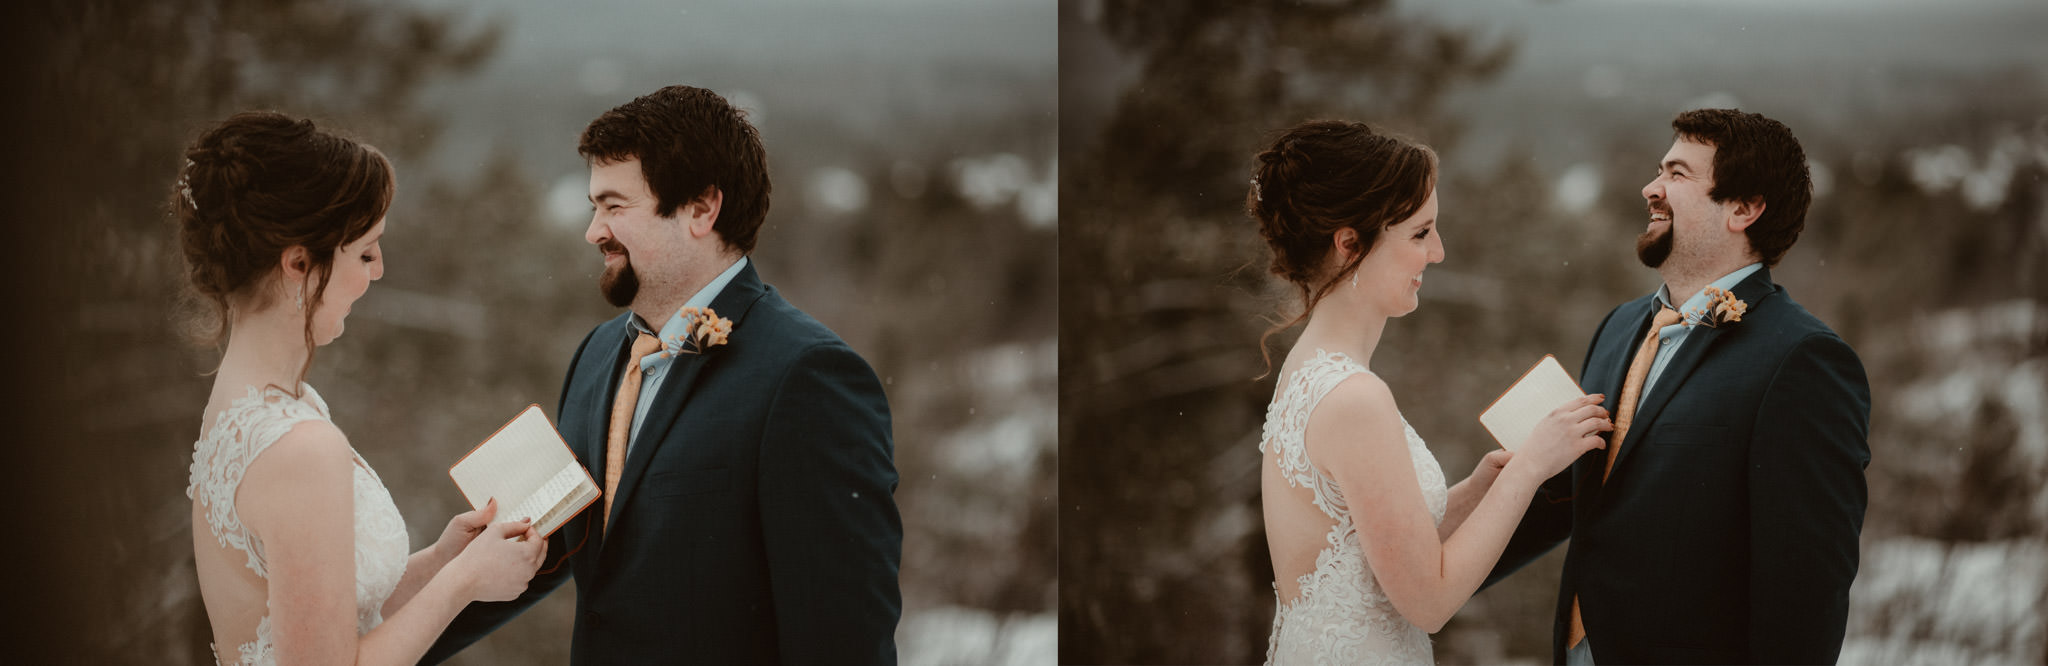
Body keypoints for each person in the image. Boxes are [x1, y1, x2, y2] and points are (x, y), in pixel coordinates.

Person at [424, 85, 903, 664]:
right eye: (594, 207)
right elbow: (549, 548)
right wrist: (377, 648)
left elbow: (843, 636)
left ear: (702, 209)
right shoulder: (598, 355)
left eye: (614, 207)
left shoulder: (808, 377)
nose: (594, 231)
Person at [1482, 109, 1872, 664]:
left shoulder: (1803, 361)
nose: (1651, 188)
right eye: (1659, 170)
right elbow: (1573, 500)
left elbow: (1806, 589)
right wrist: (1418, 583)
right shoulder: (1618, 328)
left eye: (1677, 174)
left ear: (1744, 208)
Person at [178, 111, 547, 665]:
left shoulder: (253, 405)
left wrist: (443, 561)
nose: (376, 272)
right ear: (299, 263)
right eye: (364, 252)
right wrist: (464, 583)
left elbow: (320, 623)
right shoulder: (298, 448)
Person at [1249, 119, 1613, 664]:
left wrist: (1476, 490)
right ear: (1350, 243)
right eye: (1420, 233)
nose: (1437, 252)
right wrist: (1529, 467)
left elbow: (1367, 550)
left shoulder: (1308, 369)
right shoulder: (1355, 398)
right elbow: (1429, 600)